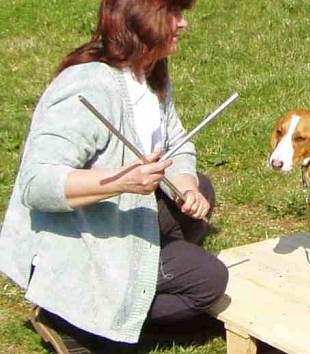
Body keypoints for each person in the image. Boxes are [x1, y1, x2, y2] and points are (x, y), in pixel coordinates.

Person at [0, 0, 228, 352]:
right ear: (141, 20)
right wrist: (122, 181)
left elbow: (177, 143)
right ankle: (76, 324)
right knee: (208, 280)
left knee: (203, 189)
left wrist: (185, 186)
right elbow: (36, 184)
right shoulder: (88, 86)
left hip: (117, 209)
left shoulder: (149, 74)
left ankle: (121, 298)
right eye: (174, 15)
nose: (183, 25)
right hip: (76, 239)